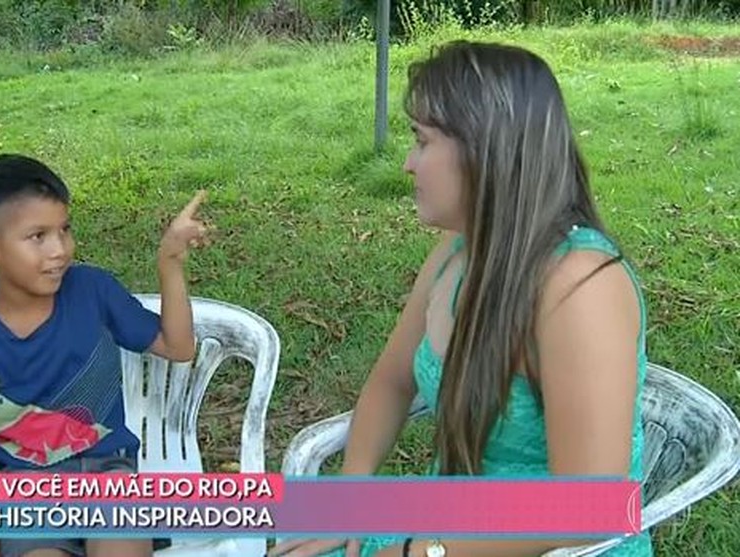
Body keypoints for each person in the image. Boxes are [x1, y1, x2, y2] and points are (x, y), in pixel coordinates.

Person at [269, 41, 652, 557]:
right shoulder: (457, 254)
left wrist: (424, 550)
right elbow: (391, 381)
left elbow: (593, 508)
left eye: (422, 141)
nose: (408, 164)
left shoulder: (580, 286)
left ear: (483, 150)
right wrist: (351, 500)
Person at [0, 153, 208, 557]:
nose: (60, 250)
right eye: (38, 236)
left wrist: (169, 262)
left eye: (64, 230)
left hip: (110, 475)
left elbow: (178, 347)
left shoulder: (93, 291)